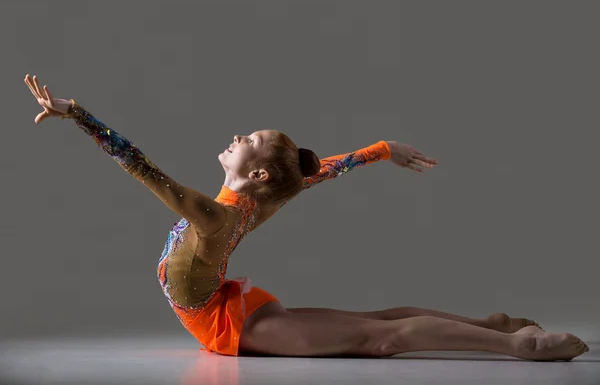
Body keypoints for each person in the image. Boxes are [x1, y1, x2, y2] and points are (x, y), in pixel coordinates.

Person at [24, 74, 589, 361]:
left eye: (251, 139)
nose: (239, 135)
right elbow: (327, 170)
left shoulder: (214, 215)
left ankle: (517, 346)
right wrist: (381, 147)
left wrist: (79, 115)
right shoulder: (261, 199)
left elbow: (139, 166)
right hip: (225, 304)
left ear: (258, 174)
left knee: (378, 338)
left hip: (234, 324)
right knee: (372, 320)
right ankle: (492, 324)